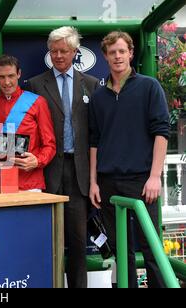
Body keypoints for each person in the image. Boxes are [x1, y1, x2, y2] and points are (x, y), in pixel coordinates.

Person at [89, 31, 169, 288]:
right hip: (109, 183)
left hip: (142, 181)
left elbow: (162, 132)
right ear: (105, 56)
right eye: (112, 52)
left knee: (151, 248)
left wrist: (155, 176)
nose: (118, 56)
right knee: (121, 251)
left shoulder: (149, 86)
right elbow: (94, 141)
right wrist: (93, 182)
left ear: (131, 53)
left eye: (122, 51)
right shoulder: (98, 96)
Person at [25, 26, 99, 288]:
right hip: (47, 171)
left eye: (63, 51)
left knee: (78, 242)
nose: (58, 55)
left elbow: (95, 132)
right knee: (48, 241)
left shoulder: (91, 84)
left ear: (74, 52)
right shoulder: (35, 84)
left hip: (79, 173)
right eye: (53, 51)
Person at [0, 54, 56, 191]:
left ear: (19, 74)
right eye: (2, 77)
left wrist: (37, 161)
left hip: (30, 183)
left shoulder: (38, 102)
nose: (7, 82)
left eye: (11, 76)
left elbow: (49, 144)